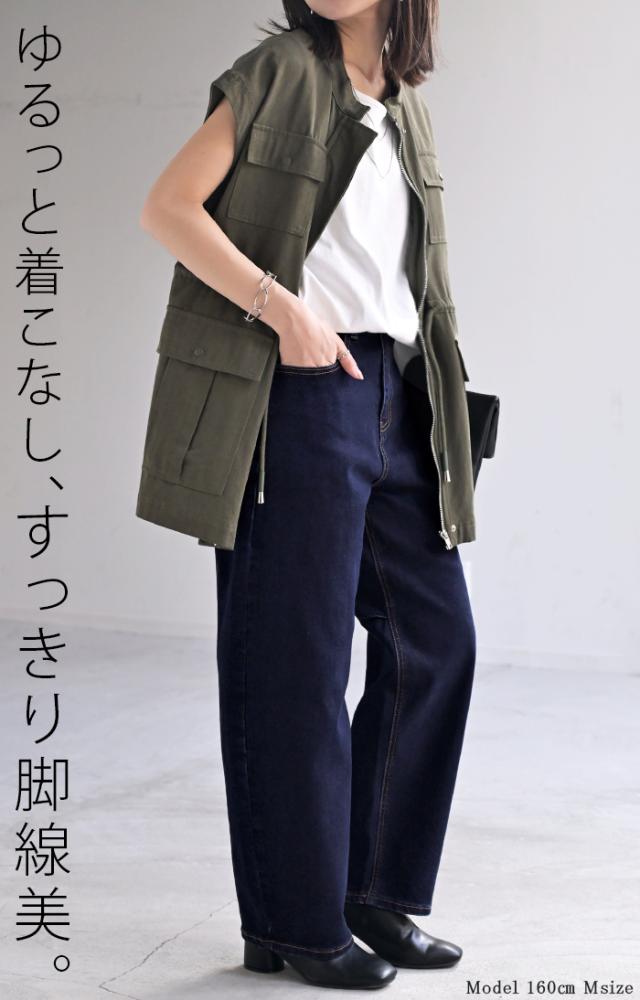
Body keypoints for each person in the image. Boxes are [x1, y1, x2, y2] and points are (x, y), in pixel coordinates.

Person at [138, 0, 477, 990]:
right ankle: (292, 921)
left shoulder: (405, 103)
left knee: (435, 642)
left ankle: (368, 890)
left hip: (393, 392)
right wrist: (281, 311)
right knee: (294, 664)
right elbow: (169, 206)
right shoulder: (280, 70)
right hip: (295, 390)